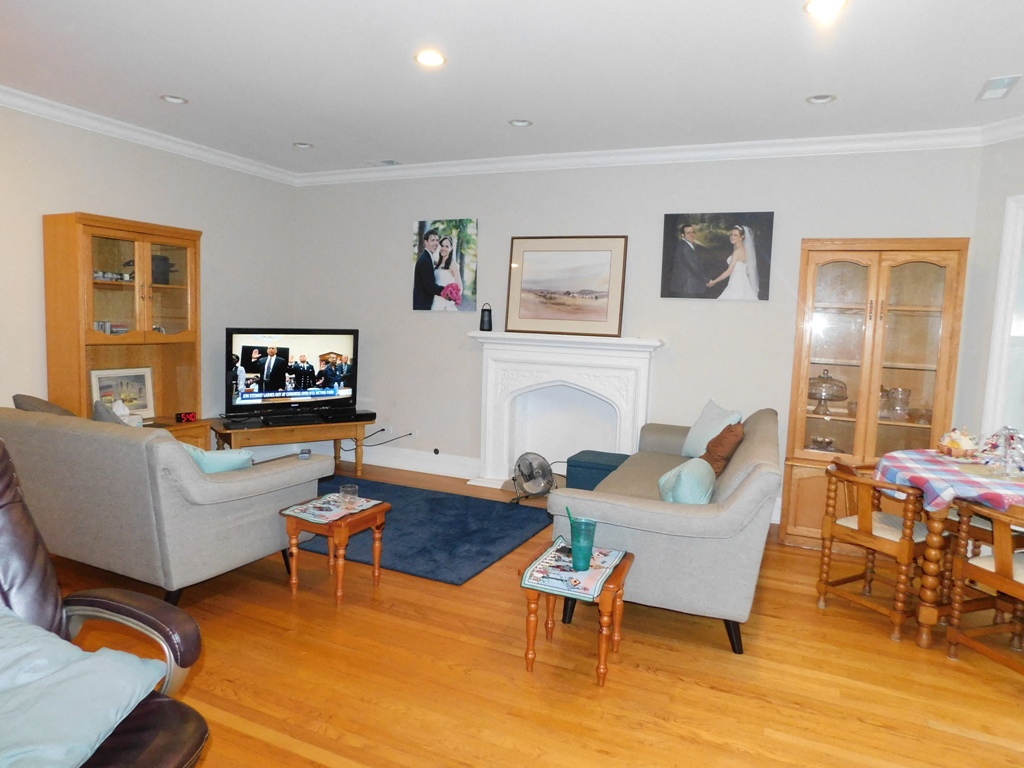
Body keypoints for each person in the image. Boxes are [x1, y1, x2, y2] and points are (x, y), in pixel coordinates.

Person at [706, 225, 761, 301]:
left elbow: (728, 271)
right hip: (743, 283)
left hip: (735, 284)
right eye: (731, 234)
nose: (732, 237)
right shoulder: (744, 250)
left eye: (735, 235)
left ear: (742, 237)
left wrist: (714, 282)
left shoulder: (737, 252)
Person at [667, 223, 709, 298]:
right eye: (688, 233)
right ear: (682, 235)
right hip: (687, 286)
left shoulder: (685, 245)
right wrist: (707, 280)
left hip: (687, 286)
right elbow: (694, 266)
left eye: (693, 232)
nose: (692, 235)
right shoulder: (684, 247)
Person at [413, 229, 444, 310]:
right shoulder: (425, 260)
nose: (436, 243)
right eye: (432, 240)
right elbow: (429, 286)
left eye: (437, 240)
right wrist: (447, 290)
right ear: (425, 242)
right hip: (421, 305)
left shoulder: (428, 258)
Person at [431, 235, 462, 310]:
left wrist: (450, 302)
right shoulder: (437, 263)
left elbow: (460, 287)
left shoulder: (452, 265)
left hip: (446, 305)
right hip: (435, 301)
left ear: (451, 249)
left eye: (447, 246)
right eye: (442, 246)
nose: (443, 248)